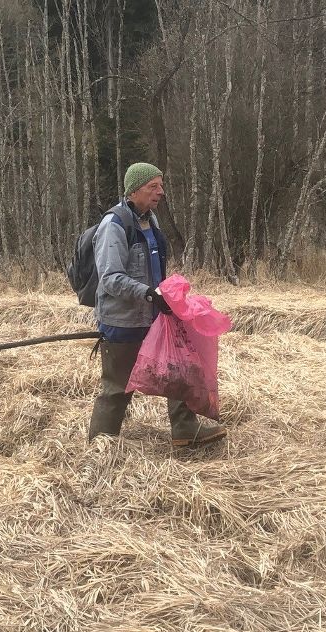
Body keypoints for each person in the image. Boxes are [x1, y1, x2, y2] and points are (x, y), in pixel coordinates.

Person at [88, 162, 227, 447]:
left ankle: (185, 430)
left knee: (177, 369)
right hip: (122, 322)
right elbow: (111, 279)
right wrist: (150, 294)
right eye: (153, 186)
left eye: (161, 186)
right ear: (134, 190)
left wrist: (167, 297)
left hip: (153, 317)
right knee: (117, 388)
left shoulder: (150, 221)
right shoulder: (113, 225)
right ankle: (100, 448)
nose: (160, 192)